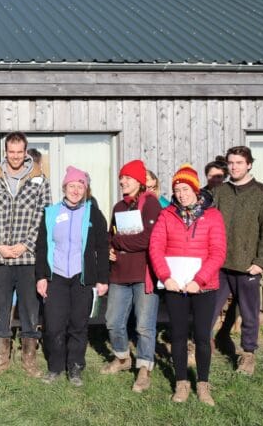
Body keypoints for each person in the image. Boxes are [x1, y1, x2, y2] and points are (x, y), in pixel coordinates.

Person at [149, 164, 226, 405]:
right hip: (174, 286)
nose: (181, 194)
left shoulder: (213, 216)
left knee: (203, 336)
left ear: (195, 188)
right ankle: (181, 382)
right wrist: (165, 277)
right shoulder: (166, 214)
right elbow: (156, 248)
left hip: (204, 286)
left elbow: (218, 252)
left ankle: (202, 384)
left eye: (185, 188)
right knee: (179, 335)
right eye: (177, 189)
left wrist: (198, 280)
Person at [0, 132, 51, 377]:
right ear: (5, 152)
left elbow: (44, 214)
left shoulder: (39, 179)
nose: (16, 156)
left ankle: (29, 358)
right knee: (1, 307)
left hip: (28, 256)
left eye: (20, 152)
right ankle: (1, 358)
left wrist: (27, 243)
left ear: (26, 151)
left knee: (30, 308)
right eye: (12, 152)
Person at [35, 166, 109, 386]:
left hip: (82, 277)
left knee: (78, 324)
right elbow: (41, 247)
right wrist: (41, 276)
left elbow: (103, 248)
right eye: (71, 186)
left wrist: (103, 278)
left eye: (80, 186)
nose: (76, 190)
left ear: (85, 189)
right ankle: (55, 368)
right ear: (64, 187)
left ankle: (75, 368)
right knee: (54, 325)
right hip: (56, 276)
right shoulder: (51, 213)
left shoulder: (93, 213)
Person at [210, 146, 263, 376]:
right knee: (210, 308)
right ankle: (201, 345)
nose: (234, 166)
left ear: (249, 164)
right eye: (231, 163)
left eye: (239, 162)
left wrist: (261, 261)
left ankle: (248, 354)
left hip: (248, 265)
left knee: (249, 313)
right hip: (220, 265)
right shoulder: (221, 191)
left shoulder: (262, 193)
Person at [102, 159, 162, 393]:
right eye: (121, 178)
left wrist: (118, 242)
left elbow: (148, 239)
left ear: (139, 181)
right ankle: (123, 357)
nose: (122, 181)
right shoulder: (119, 207)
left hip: (143, 273)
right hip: (119, 274)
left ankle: (144, 368)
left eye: (127, 178)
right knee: (113, 321)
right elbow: (111, 235)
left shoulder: (151, 205)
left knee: (144, 327)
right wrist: (110, 247)